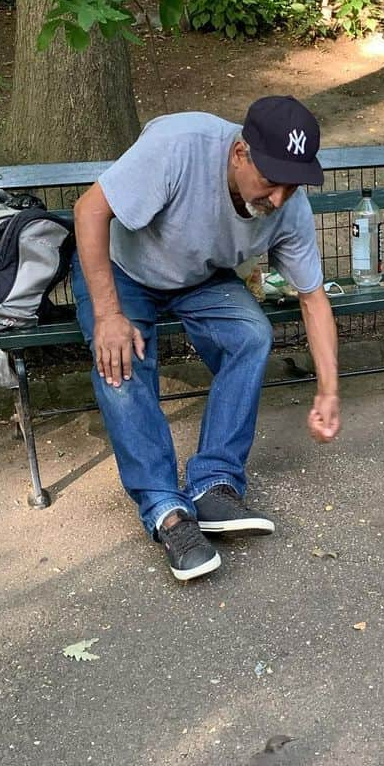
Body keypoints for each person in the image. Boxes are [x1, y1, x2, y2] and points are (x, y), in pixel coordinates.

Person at [71, 95, 341, 581]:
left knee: (252, 334)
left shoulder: (289, 205)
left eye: (292, 184)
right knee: (121, 357)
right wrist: (108, 313)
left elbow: (312, 298)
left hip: (200, 276)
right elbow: (89, 211)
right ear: (240, 154)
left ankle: (214, 484)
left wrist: (328, 390)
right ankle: (165, 511)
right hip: (122, 269)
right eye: (270, 179)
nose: (278, 198)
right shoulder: (181, 145)